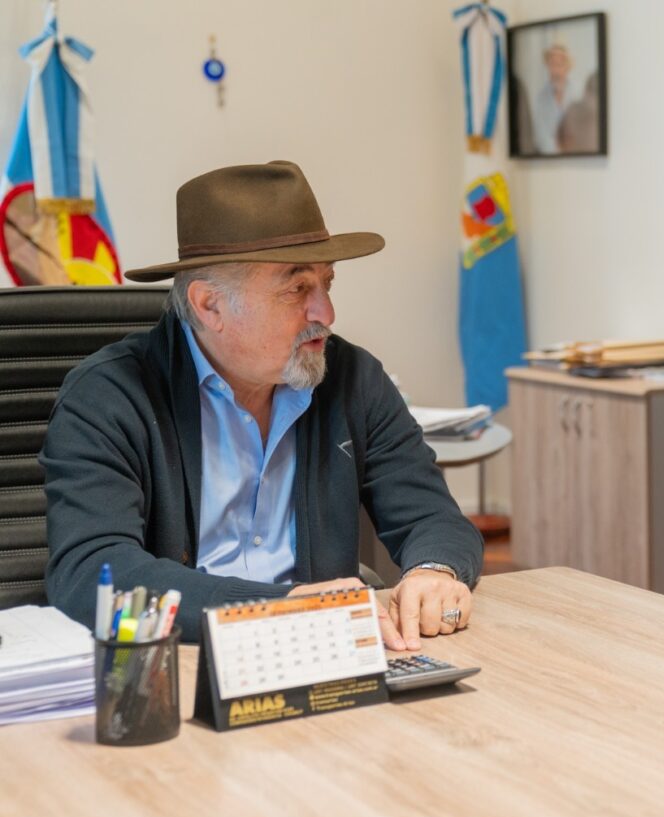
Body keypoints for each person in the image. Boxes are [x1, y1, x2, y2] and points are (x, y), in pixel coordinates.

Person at [41, 160, 484, 650]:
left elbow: (433, 517)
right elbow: (93, 572)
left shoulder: (352, 379)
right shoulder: (109, 395)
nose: (327, 313)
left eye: (327, 283)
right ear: (210, 305)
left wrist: (434, 571)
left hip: (330, 657)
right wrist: (278, 610)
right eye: (297, 289)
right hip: (181, 660)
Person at [532, 41, 576, 155]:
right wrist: (556, 153)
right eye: (552, 64)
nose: (555, 70)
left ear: (567, 67)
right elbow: (541, 135)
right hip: (549, 158)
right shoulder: (540, 98)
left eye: (559, 64)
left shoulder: (578, 94)